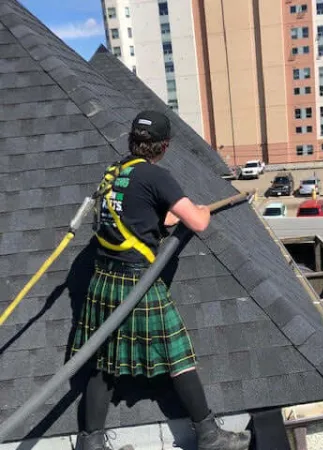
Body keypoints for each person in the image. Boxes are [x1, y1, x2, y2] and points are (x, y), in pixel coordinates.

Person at [71, 111, 251, 450]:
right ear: (164, 146)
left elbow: (136, 212)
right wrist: (202, 211)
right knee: (177, 353)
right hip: (136, 283)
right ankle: (209, 434)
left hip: (103, 280)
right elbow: (197, 223)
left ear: (131, 141)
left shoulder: (115, 172)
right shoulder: (156, 176)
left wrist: (168, 216)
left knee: (102, 359)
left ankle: (90, 443)